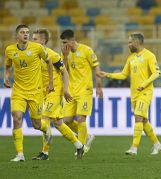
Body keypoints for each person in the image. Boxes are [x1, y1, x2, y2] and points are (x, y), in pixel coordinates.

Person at [99, 32, 161, 156]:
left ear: (136, 42)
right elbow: (123, 74)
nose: (128, 45)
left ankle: (134, 148)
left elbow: (156, 73)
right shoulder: (131, 58)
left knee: (138, 117)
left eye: (130, 42)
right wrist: (107, 74)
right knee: (143, 121)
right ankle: (157, 144)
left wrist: (144, 84)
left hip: (145, 92)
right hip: (134, 94)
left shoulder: (149, 55)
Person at [31, 28, 85, 160]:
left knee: (44, 118)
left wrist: (65, 90)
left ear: (43, 41)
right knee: (59, 123)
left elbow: (65, 72)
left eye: (35, 39)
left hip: (54, 91)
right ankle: (79, 145)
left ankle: (45, 152)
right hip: (42, 92)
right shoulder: (33, 55)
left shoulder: (52, 55)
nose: (32, 41)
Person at [3, 24, 54, 162]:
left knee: (37, 124)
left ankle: (46, 129)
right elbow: (8, 66)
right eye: (22, 32)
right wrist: (6, 77)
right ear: (17, 35)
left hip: (35, 91)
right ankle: (20, 154)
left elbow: (49, 62)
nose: (26, 34)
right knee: (16, 117)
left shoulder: (37, 48)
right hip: (18, 90)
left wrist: (50, 82)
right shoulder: (9, 50)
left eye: (27, 32)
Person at [60, 29, 103, 155]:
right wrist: (65, 57)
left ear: (72, 40)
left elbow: (96, 67)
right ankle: (87, 136)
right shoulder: (65, 54)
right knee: (66, 121)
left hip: (85, 90)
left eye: (65, 42)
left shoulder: (86, 50)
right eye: (62, 43)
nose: (63, 45)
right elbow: (64, 71)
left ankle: (81, 147)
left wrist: (99, 86)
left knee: (81, 118)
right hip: (71, 91)